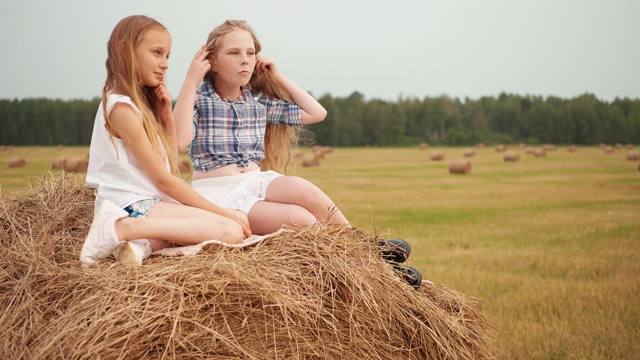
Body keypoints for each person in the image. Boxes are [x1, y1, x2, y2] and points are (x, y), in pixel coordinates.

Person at [173, 20, 423, 288]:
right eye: (234, 53)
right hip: (219, 193)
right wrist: (190, 80)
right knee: (303, 221)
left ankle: (365, 249)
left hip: (255, 179)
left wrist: (277, 77)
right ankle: (371, 272)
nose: (244, 60)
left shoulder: (258, 102)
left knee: (302, 188)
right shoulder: (199, 98)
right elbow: (180, 141)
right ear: (212, 60)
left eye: (250, 52)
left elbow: (317, 113)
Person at [80, 15, 252, 268]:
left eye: (168, 56)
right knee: (231, 229)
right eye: (157, 53)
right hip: (130, 205)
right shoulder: (121, 109)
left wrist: (166, 118)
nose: (165, 64)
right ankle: (123, 228)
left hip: (151, 201)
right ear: (124, 50)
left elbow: (169, 166)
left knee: (237, 217)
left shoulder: (141, 108)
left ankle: (142, 243)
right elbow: (164, 180)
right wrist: (220, 212)